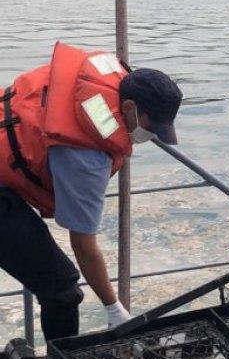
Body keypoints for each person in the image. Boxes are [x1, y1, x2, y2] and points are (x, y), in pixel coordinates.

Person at [0, 41, 182, 340]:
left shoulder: (103, 81)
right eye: (152, 127)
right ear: (128, 107)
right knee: (62, 291)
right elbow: (83, 245)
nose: (152, 136)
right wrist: (114, 308)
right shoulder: (86, 156)